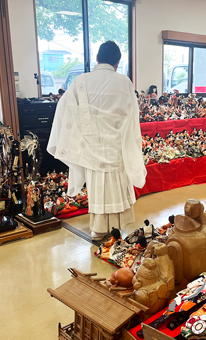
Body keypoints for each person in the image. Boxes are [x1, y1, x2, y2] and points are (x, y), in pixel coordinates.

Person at [47, 41, 146, 240]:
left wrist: (84, 128)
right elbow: (132, 116)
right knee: (116, 184)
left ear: (97, 58)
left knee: (98, 187)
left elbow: (64, 109)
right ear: (117, 62)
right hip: (116, 144)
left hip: (91, 147)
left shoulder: (81, 81)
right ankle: (117, 227)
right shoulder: (124, 82)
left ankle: (99, 229)